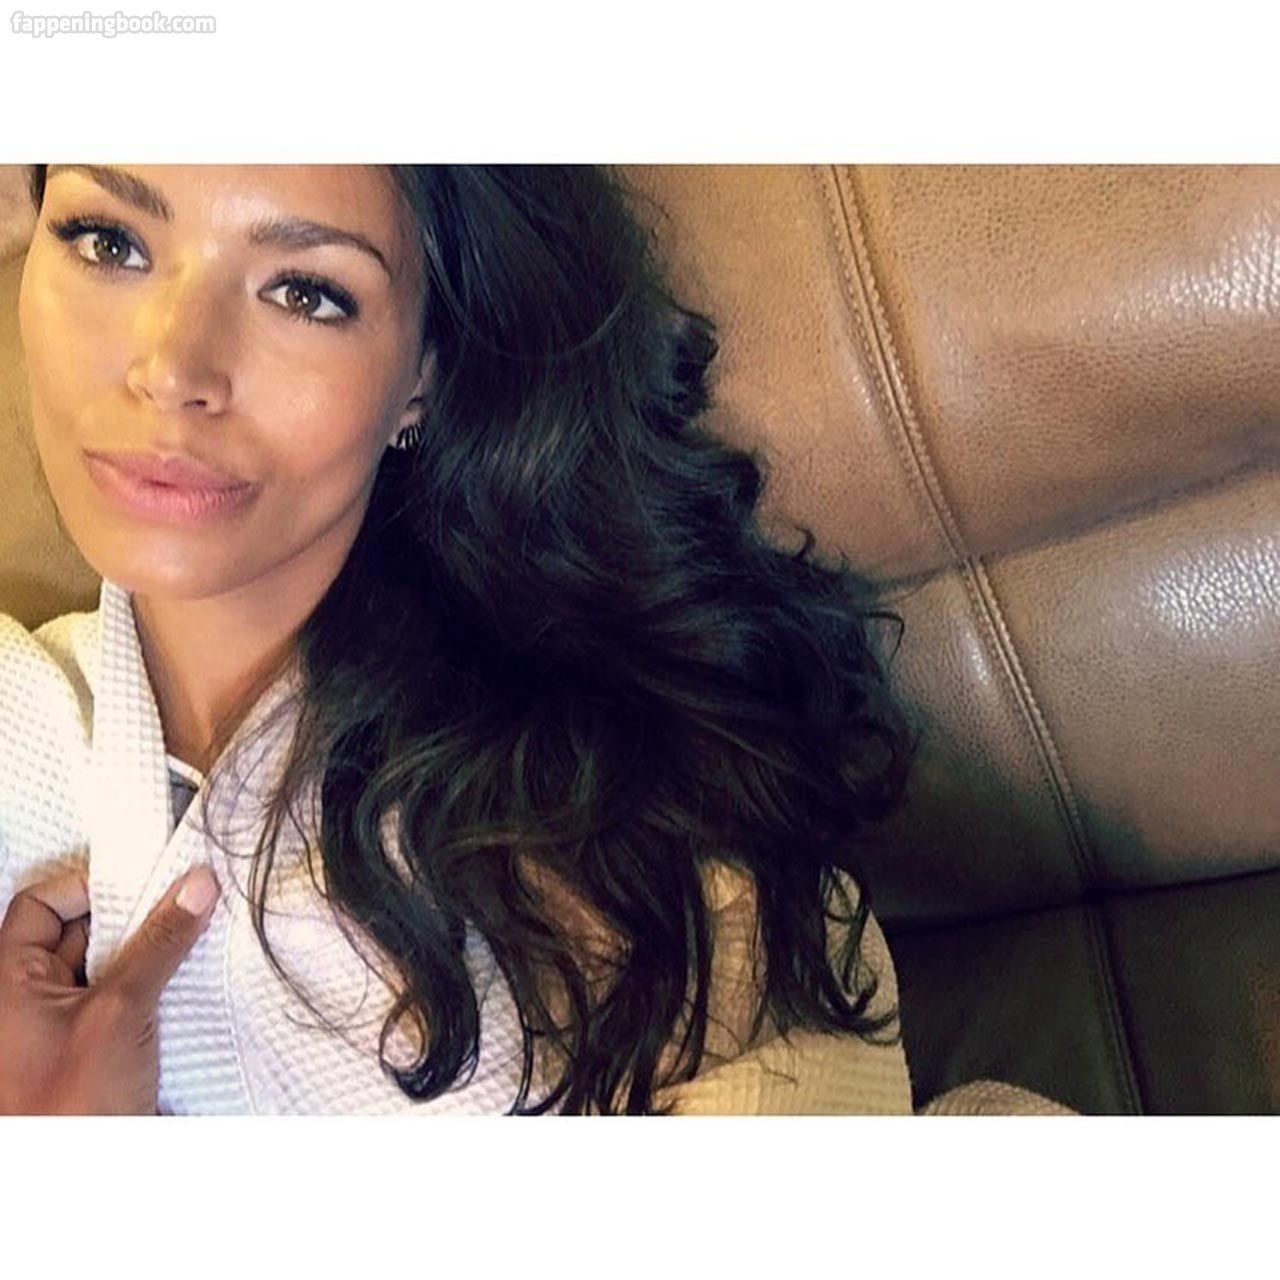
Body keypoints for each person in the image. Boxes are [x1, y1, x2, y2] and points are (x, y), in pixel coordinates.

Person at [0, 164, 1072, 1115]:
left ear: (423, 377)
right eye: (107, 241)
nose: (171, 366)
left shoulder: (632, 844)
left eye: (306, 292)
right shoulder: (25, 710)